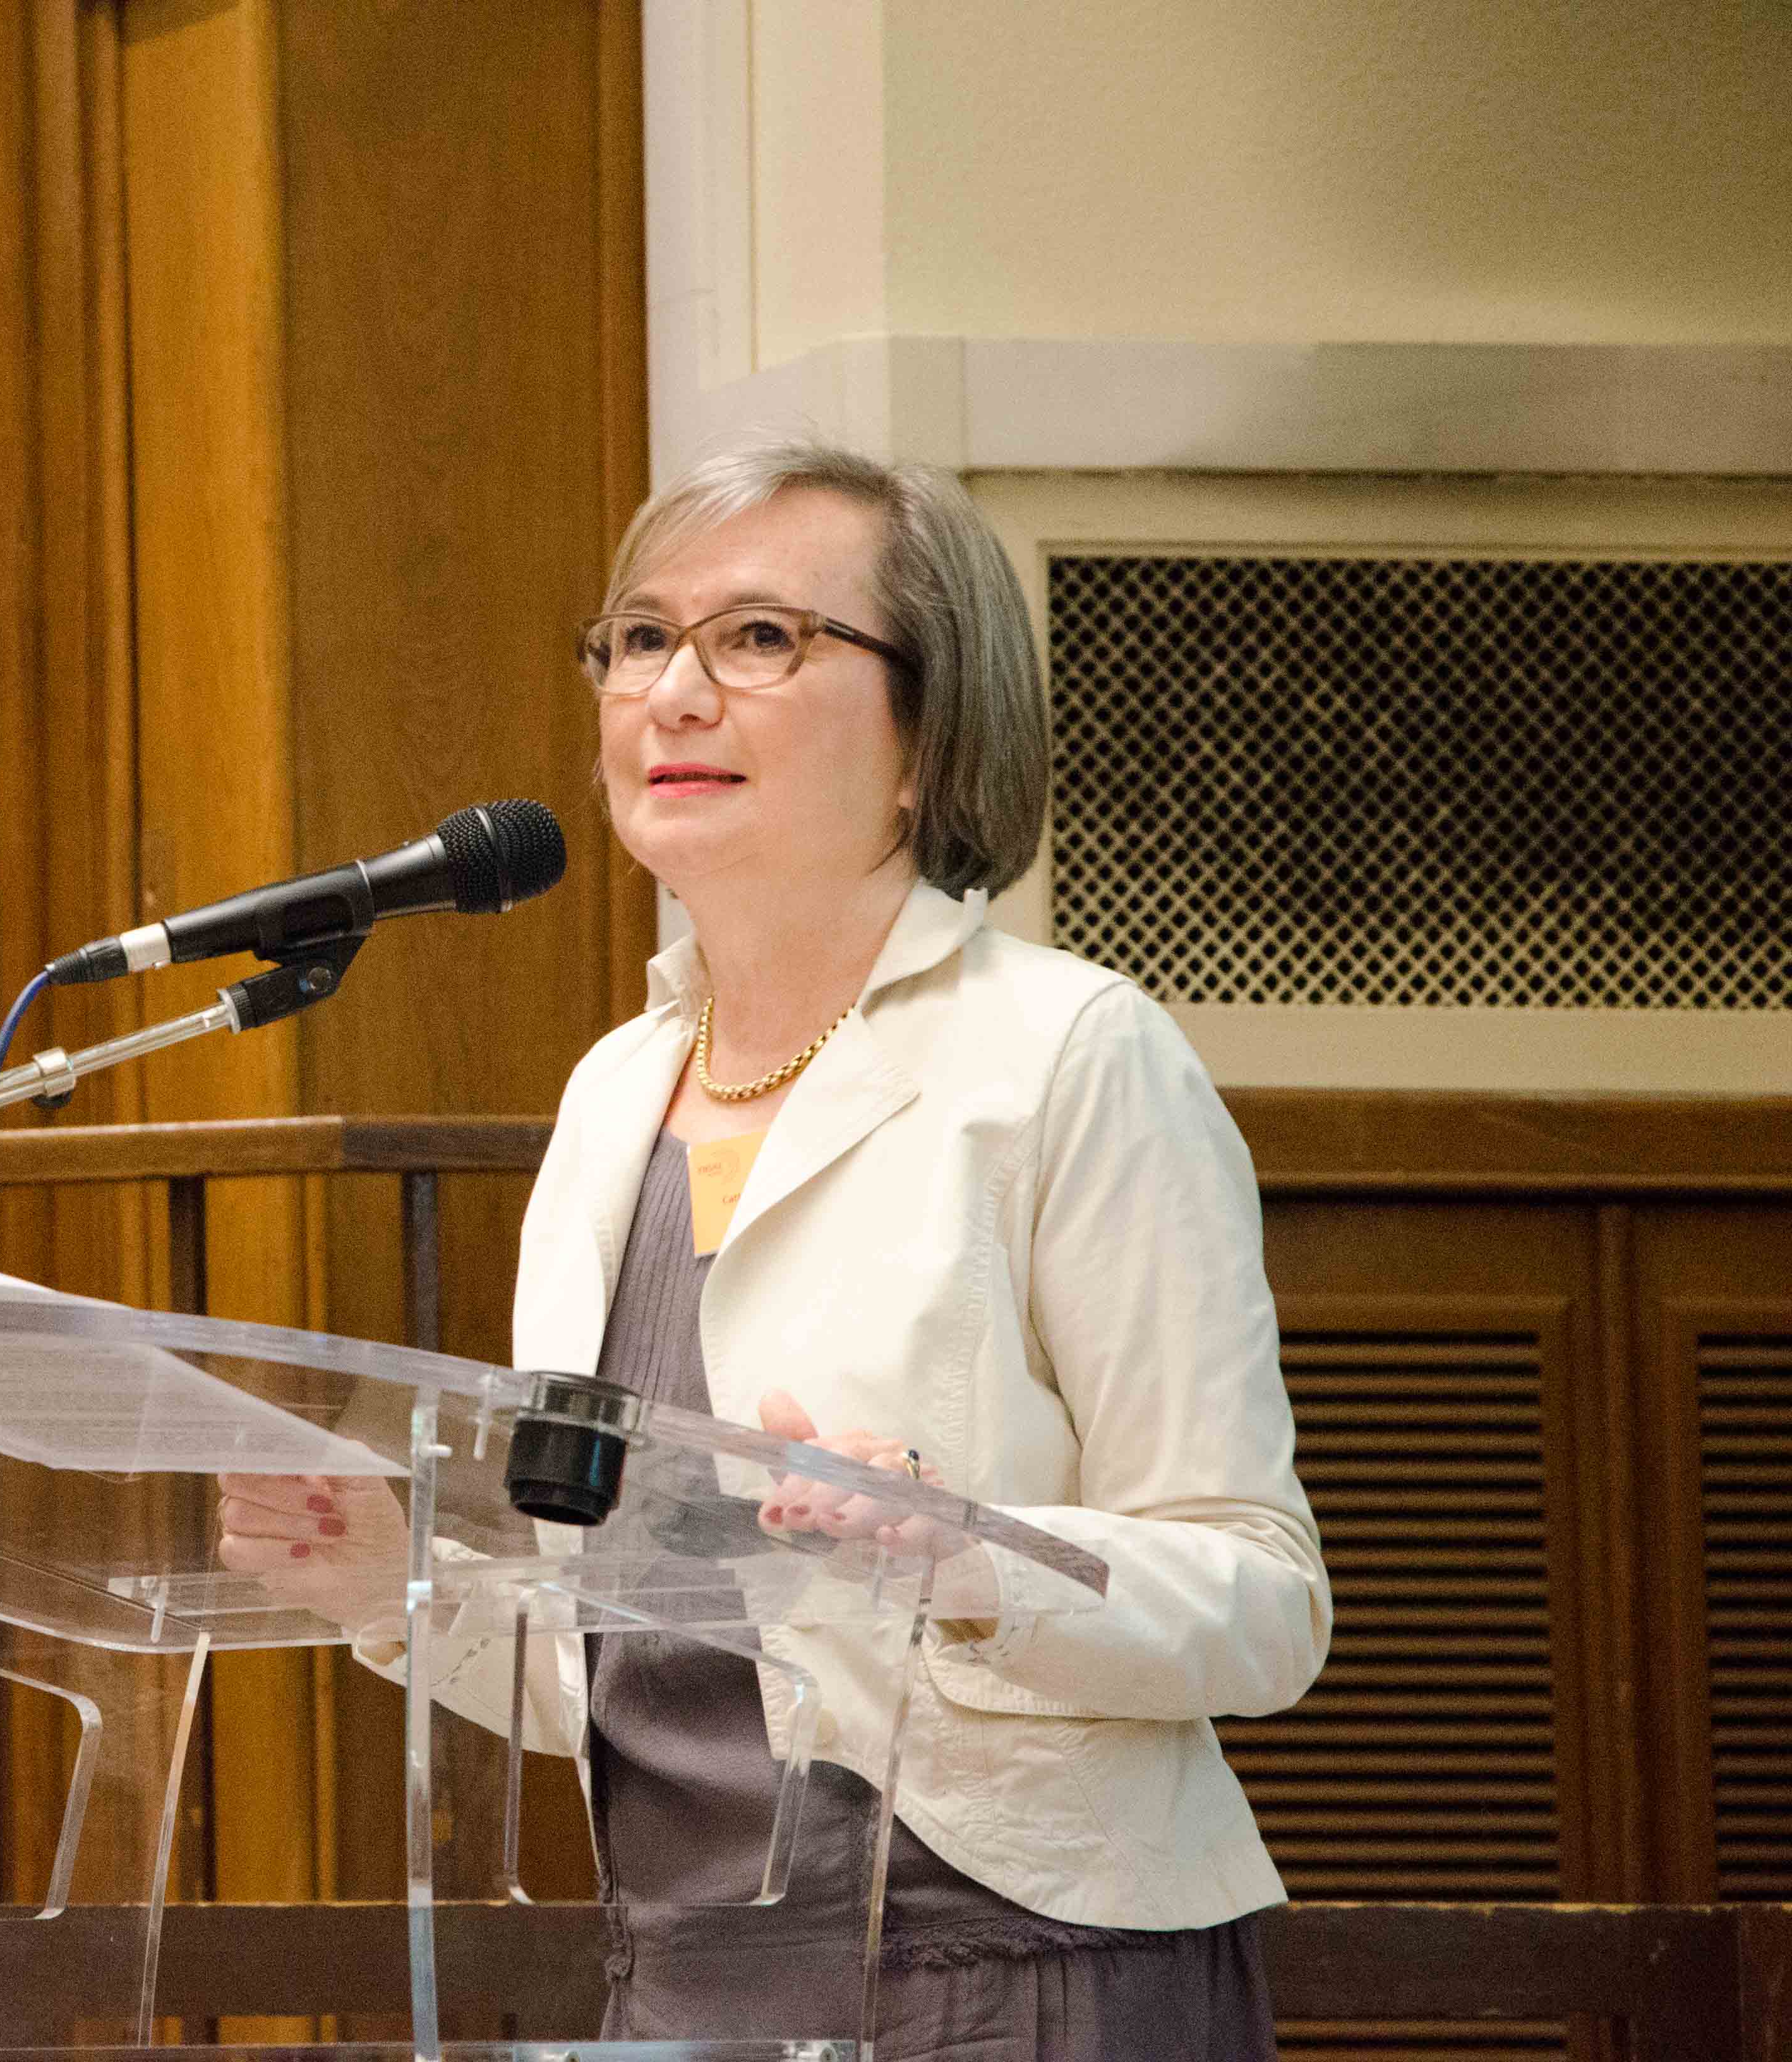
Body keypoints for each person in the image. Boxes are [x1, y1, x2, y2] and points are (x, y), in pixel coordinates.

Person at [222, 440, 1327, 2058]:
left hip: (1010, 1970)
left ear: (926, 737)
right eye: (639, 638)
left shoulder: (1065, 1057)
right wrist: (387, 1587)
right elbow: (634, 1668)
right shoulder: (613, 1096)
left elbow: (1262, 1603)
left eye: (758, 638)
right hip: (678, 1979)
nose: (672, 694)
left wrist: (956, 1555)